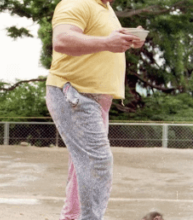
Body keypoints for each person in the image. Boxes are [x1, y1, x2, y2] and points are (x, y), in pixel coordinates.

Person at [45, 0, 145, 219]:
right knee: (96, 162)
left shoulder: (105, 9)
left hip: (95, 98)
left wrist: (125, 39)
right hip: (75, 94)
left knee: (82, 164)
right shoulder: (76, 3)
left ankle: (72, 217)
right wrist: (107, 42)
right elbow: (61, 40)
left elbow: (102, 42)